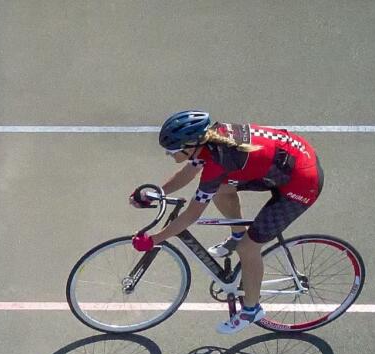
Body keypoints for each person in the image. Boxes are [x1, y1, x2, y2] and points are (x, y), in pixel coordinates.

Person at [130, 110, 324, 334]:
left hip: (301, 183)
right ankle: (238, 233)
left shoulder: (218, 162)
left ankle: (251, 310)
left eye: (172, 151)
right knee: (222, 189)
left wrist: (155, 239)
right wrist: (156, 194)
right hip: (287, 161)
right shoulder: (210, 139)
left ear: (191, 144)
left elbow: (192, 214)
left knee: (248, 248)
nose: (168, 155)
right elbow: (188, 173)